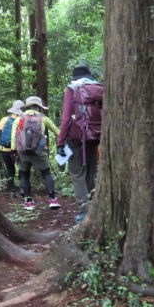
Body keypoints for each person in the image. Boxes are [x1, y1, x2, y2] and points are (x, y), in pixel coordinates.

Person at [57, 65, 102, 223]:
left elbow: (66, 119)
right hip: (95, 136)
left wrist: (60, 142)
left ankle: (84, 210)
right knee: (91, 171)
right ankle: (92, 205)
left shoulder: (73, 88)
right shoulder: (98, 87)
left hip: (76, 138)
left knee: (77, 173)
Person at [11, 95, 61, 210]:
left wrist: (13, 151)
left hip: (23, 153)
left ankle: (29, 202)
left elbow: (13, 137)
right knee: (46, 174)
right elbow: (58, 132)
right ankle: (52, 199)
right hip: (40, 152)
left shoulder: (19, 119)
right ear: (39, 107)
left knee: (24, 175)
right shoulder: (43, 118)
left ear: (27, 106)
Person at [0, 99, 24, 194]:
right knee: (22, 167)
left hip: (4, 149)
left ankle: (10, 188)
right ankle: (23, 188)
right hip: (18, 149)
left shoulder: (5, 119)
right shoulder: (22, 120)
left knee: (10, 168)